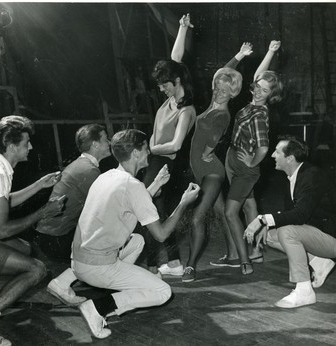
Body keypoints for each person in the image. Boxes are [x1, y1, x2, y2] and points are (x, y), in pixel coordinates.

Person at [72, 129, 200, 339]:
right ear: (136, 154)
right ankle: (98, 307)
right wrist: (184, 203)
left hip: (79, 261)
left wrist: (157, 183)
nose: (148, 152)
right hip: (98, 267)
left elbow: (129, 201)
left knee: (138, 241)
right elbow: (161, 235)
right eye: (145, 149)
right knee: (163, 292)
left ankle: (115, 292)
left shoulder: (108, 176)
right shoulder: (133, 186)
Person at [0, 115, 65, 346]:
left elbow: (3, 201)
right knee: (36, 270)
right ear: (11, 146)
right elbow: (4, 229)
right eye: (26, 143)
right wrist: (43, 212)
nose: (30, 147)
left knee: (23, 248)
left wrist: (39, 185)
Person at [171, 14, 253, 282]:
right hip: (201, 169)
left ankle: (191, 266)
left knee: (197, 219)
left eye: (224, 89)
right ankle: (242, 260)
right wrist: (238, 57)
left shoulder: (221, 114)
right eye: (217, 87)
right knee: (222, 213)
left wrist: (209, 149)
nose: (218, 91)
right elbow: (224, 74)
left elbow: (217, 134)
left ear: (233, 93)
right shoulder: (212, 104)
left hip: (211, 172)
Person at [244, 136, 336, 308]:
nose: (272, 155)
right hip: (320, 233)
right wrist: (268, 225)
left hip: (331, 236)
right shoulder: (292, 176)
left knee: (287, 232)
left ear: (290, 158)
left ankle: (304, 290)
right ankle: (319, 262)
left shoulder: (312, 176)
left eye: (277, 152)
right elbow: (290, 213)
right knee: (270, 235)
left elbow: (299, 215)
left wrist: (263, 219)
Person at [219, 40, 283, 275]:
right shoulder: (253, 102)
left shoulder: (259, 113)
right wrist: (270, 52)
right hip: (233, 156)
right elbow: (259, 75)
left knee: (230, 211)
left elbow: (264, 148)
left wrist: (252, 162)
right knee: (249, 204)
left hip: (245, 166)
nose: (258, 90)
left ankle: (245, 260)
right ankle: (255, 251)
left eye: (264, 90)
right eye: (257, 86)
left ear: (270, 96)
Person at [142, 15, 197, 278]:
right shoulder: (170, 101)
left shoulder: (186, 110)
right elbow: (176, 57)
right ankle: (171, 263)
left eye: (165, 84)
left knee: (151, 213)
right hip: (156, 161)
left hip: (167, 165)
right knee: (157, 213)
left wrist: (151, 148)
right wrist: (183, 28)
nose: (161, 88)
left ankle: (154, 267)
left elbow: (174, 146)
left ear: (177, 82)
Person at [35, 124, 111, 306]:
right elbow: (106, 208)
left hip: (49, 236)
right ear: (95, 145)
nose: (109, 142)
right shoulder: (88, 170)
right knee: (106, 241)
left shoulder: (83, 165)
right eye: (105, 139)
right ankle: (61, 284)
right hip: (54, 239)